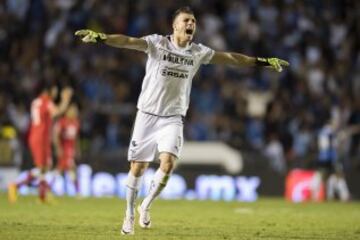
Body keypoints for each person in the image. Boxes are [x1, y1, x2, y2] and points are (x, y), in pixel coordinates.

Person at [75, 6, 289, 235]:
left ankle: (145, 205)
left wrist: (263, 62)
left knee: (168, 164)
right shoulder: (157, 43)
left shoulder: (197, 52)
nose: (191, 24)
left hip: (173, 117)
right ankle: (128, 214)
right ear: (175, 25)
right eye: (187, 20)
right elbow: (128, 41)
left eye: (194, 22)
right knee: (138, 168)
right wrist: (101, 37)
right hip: (146, 115)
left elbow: (230, 58)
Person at [8, 81, 73, 203]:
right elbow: (57, 112)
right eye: (54, 91)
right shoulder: (46, 101)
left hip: (36, 135)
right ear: (48, 91)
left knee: (45, 167)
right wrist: (65, 99)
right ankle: (15, 186)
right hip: (41, 138)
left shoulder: (36, 101)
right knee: (42, 168)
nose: (55, 93)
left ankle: (42, 195)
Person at [53, 103, 81, 195]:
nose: (75, 112)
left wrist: (77, 149)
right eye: (73, 110)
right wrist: (58, 148)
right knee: (67, 169)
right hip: (64, 150)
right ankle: (77, 191)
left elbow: (76, 138)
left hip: (71, 150)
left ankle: (48, 187)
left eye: (76, 110)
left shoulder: (76, 123)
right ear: (67, 111)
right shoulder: (62, 122)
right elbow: (56, 135)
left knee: (63, 169)